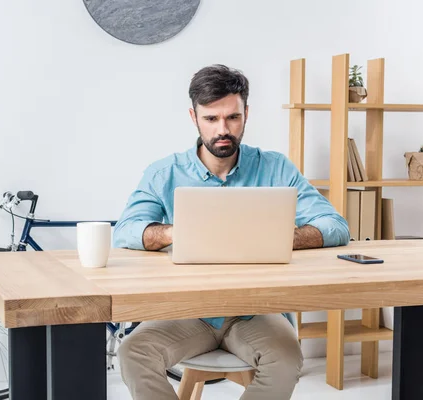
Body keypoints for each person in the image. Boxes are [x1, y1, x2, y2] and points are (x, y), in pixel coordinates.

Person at [112, 64, 350, 400]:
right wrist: (176, 233)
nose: (223, 129)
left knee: (285, 359)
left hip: (257, 311)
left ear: (246, 114)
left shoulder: (276, 167)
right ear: (194, 117)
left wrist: (279, 237)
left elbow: (336, 227)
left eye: (232, 118)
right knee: (132, 353)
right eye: (211, 119)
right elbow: (126, 231)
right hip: (187, 310)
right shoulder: (164, 172)